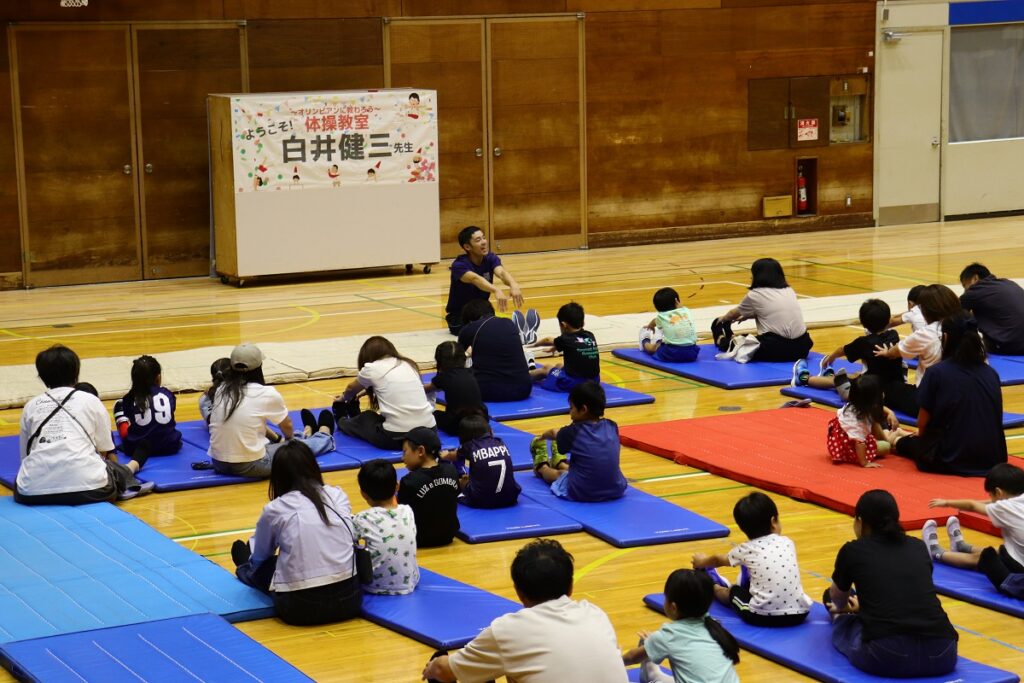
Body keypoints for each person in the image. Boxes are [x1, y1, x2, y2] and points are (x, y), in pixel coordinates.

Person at [422, 539, 628, 683]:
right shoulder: (595, 614)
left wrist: (433, 667)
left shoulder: (509, 630)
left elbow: (443, 670)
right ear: (570, 587)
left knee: (461, 668)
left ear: (519, 593)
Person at [826, 489, 958, 678]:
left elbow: (837, 599)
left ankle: (846, 621)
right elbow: (910, 592)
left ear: (860, 522)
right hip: (943, 652)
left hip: (888, 654)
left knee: (844, 622)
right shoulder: (919, 547)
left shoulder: (853, 550)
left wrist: (845, 609)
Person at [230, 441, 362, 625]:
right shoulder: (337, 495)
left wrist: (251, 563)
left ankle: (242, 565)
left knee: (256, 567)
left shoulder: (276, 509)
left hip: (300, 608)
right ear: (313, 467)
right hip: (350, 599)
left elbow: (261, 557)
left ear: (278, 476)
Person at [15, 345, 153, 505]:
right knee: (108, 467)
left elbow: (26, 457)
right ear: (76, 372)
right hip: (93, 490)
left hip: (30, 493)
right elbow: (105, 451)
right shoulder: (91, 401)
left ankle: (126, 472)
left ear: (42, 377)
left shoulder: (30, 406)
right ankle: (129, 471)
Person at [889, 311, 1008, 475]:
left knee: (902, 443)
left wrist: (919, 439)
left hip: (951, 458)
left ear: (945, 338)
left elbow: (922, 423)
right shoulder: (991, 373)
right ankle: (902, 437)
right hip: (993, 458)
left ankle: (897, 439)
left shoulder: (937, 373)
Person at [209, 343, 335, 478]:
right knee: (297, 448)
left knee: (279, 442)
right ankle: (325, 435)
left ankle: (307, 432)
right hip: (251, 465)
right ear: (259, 367)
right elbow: (287, 426)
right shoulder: (266, 393)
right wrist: (289, 443)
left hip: (218, 463)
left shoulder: (220, 389)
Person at [692, 492, 812, 626]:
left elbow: (718, 559)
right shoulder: (787, 542)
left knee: (733, 591)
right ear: (773, 522)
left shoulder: (747, 549)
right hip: (801, 613)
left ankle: (712, 585)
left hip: (762, 617)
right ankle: (747, 578)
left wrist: (700, 562)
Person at [792, 298, 918, 417]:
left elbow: (843, 350)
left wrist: (831, 357)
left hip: (871, 389)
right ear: (888, 320)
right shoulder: (894, 334)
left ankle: (804, 379)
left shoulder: (864, 342)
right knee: (861, 374)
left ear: (863, 323)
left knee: (837, 381)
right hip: (894, 384)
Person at [621, 569, 740, 683]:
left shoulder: (670, 635)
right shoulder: (715, 626)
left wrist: (612, 661)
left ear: (673, 607)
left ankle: (653, 677)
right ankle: (653, 675)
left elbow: (632, 657)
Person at [924, 463, 1024, 595]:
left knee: (986, 556)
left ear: (999, 492)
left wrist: (947, 502)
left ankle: (937, 553)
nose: (991, 499)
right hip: (1019, 562)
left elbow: (972, 505)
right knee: (1003, 550)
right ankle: (962, 547)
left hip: (1014, 579)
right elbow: (994, 503)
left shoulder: (1004, 509)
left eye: (991, 495)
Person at [334, 336, 436, 450]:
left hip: (397, 437)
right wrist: (366, 391)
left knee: (367, 417)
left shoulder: (372, 368)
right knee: (376, 418)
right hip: (430, 432)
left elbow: (350, 389)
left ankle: (341, 421)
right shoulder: (408, 364)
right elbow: (397, 388)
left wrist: (343, 398)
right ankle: (355, 417)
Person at [531, 381, 627, 502]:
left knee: (560, 475)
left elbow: (553, 433)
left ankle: (541, 467)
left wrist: (542, 437)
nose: (570, 413)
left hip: (583, 491)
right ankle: (560, 463)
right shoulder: (612, 426)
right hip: (616, 488)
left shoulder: (574, 432)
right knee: (585, 466)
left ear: (583, 409)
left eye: (571, 408)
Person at [710, 257, 813, 362]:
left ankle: (721, 340)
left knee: (743, 345)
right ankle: (731, 336)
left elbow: (733, 314)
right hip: (802, 347)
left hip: (777, 349)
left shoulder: (756, 294)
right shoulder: (789, 290)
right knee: (750, 339)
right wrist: (749, 315)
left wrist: (722, 319)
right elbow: (774, 311)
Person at [444, 225, 529, 336]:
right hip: (460, 316)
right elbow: (475, 279)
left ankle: (521, 333)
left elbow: (501, 273)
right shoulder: (459, 265)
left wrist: (513, 284)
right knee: (483, 331)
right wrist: (496, 290)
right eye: (478, 240)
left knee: (492, 327)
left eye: (484, 238)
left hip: (483, 311)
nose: (484, 242)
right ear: (467, 247)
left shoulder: (490, 258)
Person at [353, 459, 419, 595]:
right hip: (412, 581)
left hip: (375, 586)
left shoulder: (362, 519)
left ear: (363, 493)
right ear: (397, 487)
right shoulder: (407, 510)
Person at [874, 283, 960, 385]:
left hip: (932, 392)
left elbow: (895, 351)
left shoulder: (926, 333)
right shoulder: (969, 326)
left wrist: (887, 352)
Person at [397, 427, 460, 547]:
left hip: (419, 540)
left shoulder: (409, 481)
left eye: (405, 452)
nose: (402, 458)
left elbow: (401, 516)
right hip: (449, 535)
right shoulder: (451, 470)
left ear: (420, 451)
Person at [459, 299, 532, 402]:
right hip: (523, 390)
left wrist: (467, 354)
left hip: (486, 392)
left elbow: (456, 362)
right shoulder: (509, 323)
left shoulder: (469, 329)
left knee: (459, 375)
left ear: (470, 320)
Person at [824, 375, 904, 468]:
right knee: (886, 447)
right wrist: (864, 463)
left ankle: (890, 437)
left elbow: (878, 409)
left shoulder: (858, 405)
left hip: (846, 436)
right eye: (880, 393)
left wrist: (890, 412)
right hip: (849, 446)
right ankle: (891, 438)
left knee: (874, 421)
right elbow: (859, 443)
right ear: (872, 401)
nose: (883, 394)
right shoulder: (858, 423)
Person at [113, 355, 182, 460]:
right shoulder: (167, 394)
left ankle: (121, 422)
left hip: (136, 449)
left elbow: (132, 417)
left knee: (119, 407)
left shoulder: (129, 398)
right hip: (170, 446)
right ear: (158, 377)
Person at [446, 413, 520, 509]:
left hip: (482, 501)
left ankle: (460, 473)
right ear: (490, 431)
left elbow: (452, 456)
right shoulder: (500, 442)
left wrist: (442, 455)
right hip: (511, 497)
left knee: (461, 481)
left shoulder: (469, 445)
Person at [530, 302, 600, 392]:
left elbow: (547, 340)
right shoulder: (590, 335)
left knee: (546, 368)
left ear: (563, 325)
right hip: (594, 381)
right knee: (560, 366)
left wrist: (532, 345)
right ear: (583, 322)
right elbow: (576, 345)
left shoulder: (566, 339)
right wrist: (556, 346)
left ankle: (524, 378)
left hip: (575, 383)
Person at [959, 262, 1024, 355]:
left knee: (962, 319)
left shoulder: (974, 292)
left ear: (975, 278)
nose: (965, 291)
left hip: (1010, 347)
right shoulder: (1009, 283)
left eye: (965, 286)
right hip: (1019, 343)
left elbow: (954, 314)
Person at [424, 341, 484, 436]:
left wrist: (412, 388)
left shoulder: (443, 377)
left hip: (457, 426)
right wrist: (467, 354)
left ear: (440, 362)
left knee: (431, 415)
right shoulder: (470, 372)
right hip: (482, 420)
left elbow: (426, 390)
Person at [638, 287, 699, 363]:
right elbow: (681, 308)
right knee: (669, 333)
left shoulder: (661, 317)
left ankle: (644, 341)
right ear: (677, 301)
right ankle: (660, 339)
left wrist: (650, 326)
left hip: (672, 353)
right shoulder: (686, 311)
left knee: (653, 349)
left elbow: (654, 321)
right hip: (692, 353)